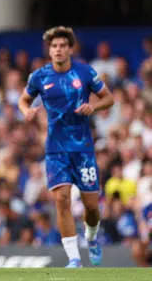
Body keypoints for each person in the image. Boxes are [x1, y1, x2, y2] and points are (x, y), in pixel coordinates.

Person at [18, 26, 114, 268]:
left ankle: (91, 238)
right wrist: (26, 111)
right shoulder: (40, 76)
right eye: (54, 46)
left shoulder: (85, 72)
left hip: (83, 150)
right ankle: (73, 257)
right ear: (49, 50)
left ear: (70, 49)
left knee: (91, 207)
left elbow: (108, 98)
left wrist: (94, 106)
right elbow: (23, 99)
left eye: (62, 45)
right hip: (55, 150)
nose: (58, 49)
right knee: (61, 200)